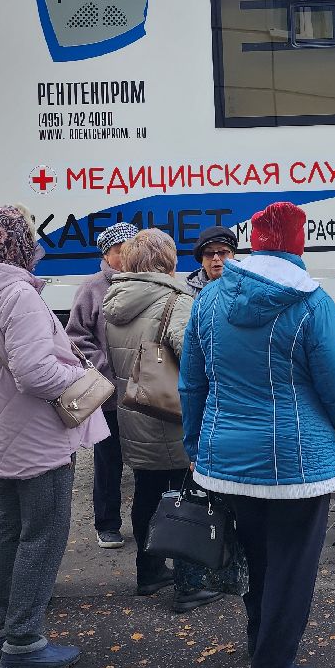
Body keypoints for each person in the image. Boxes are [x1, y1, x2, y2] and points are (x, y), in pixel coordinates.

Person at [178, 201, 335, 668]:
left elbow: (192, 382)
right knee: (293, 568)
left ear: (254, 242)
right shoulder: (311, 302)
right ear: (297, 245)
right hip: (298, 461)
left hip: (228, 459)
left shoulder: (210, 299)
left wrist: (195, 442)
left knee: (257, 560)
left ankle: (260, 642)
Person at [0, 205, 107, 668]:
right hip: (37, 433)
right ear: (17, 246)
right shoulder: (16, 294)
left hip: (1, 429)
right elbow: (35, 372)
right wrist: (79, 374)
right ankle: (23, 641)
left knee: (10, 531)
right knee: (43, 534)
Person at [102, 228, 219, 612]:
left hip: (134, 409)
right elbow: (194, 357)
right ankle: (189, 585)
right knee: (186, 493)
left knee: (147, 492)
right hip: (173, 413)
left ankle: (149, 572)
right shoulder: (175, 299)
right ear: (167, 260)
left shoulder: (115, 300)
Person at [67, 221, 138, 550]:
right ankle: (107, 524)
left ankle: (148, 520)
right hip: (109, 393)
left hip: (143, 393)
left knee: (146, 462)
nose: (125, 257)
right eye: (119, 252)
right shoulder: (92, 288)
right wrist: (107, 367)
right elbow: (76, 338)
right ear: (106, 255)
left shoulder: (145, 284)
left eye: (131, 251)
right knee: (108, 462)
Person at [184, 224, 238, 295]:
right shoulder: (188, 293)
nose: (216, 258)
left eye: (222, 252)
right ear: (202, 260)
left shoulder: (248, 285)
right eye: (209, 253)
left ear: (233, 255)